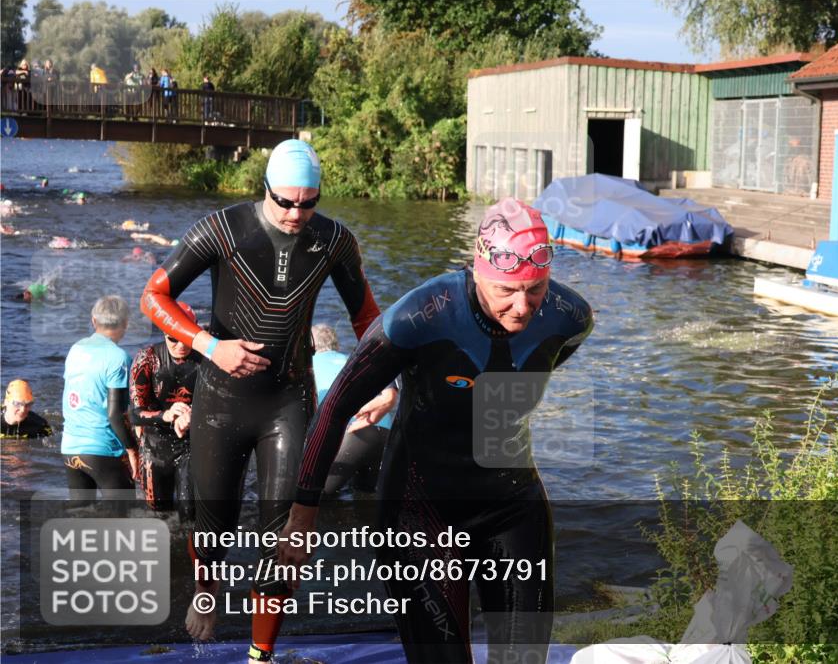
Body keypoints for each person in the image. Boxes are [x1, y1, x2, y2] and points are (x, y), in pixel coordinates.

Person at [279, 198, 594, 664]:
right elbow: (336, 407)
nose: (523, 306)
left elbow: (547, 355)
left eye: (536, 288)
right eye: (507, 290)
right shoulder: (419, 317)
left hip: (510, 504)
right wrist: (302, 517)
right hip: (420, 510)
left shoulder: (570, 315)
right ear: (479, 269)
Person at [140, 139, 396, 663]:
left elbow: (367, 317)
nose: (297, 213)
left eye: (309, 202)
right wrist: (210, 345)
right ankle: (206, 594)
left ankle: (262, 654)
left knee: (287, 536)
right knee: (214, 525)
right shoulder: (223, 229)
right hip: (221, 398)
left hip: (288, 399)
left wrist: (388, 380)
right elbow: (153, 296)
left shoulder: (334, 241)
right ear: (265, 191)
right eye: (285, 201)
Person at [61, 295, 139, 505]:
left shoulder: (75, 349)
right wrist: (132, 449)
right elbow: (115, 414)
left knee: (80, 517)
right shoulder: (118, 358)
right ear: (125, 323)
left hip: (70, 447)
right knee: (124, 520)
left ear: (94, 321)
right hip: (103, 449)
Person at [130, 302, 200, 522]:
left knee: (189, 515)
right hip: (154, 446)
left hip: (191, 444)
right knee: (157, 515)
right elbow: (134, 413)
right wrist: (165, 415)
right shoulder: (148, 359)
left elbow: (224, 407)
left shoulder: (206, 359)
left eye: (186, 338)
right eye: (173, 338)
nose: (180, 345)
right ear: (163, 333)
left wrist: (193, 415)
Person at [311, 324, 392, 495]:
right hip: (384, 431)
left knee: (314, 496)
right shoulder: (354, 359)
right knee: (365, 496)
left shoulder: (310, 365)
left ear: (311, 347)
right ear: (337, 346)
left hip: (353, 432)